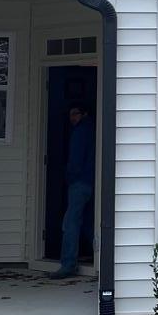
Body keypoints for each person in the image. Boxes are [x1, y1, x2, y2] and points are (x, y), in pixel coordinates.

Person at [52, 103, 95, 278]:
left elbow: (75, 159)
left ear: (84, 114)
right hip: (93, 181)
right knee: (88, 221)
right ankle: (99, 257)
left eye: (75, 114)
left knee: (70, 222)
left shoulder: (80, 132)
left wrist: (69, 177)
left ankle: (68, 264)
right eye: (70, 115)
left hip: (80, 183)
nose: (72, 118)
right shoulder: (95, 130)